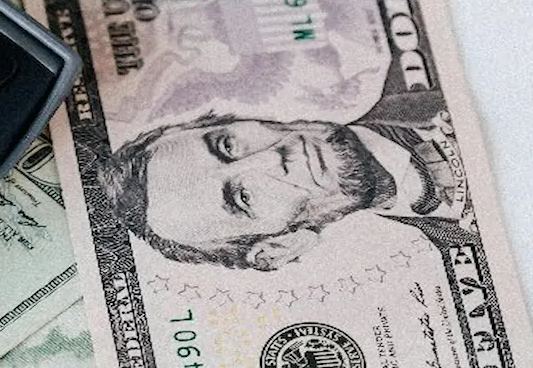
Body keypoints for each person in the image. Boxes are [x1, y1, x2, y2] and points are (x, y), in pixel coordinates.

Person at [105, 90, 471, 271]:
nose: (271, 158)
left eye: (227, 145)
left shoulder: (428, 81)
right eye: (243, 197)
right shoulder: (449, 251)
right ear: (282, 246)